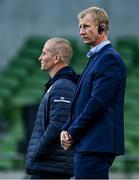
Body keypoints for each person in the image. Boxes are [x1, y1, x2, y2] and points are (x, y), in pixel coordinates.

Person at [60, 6, 126, 179]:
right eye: (80, 27)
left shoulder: (108, 58)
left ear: (102, 27)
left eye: (86, 26)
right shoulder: (97, 57)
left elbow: (97, 103)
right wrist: (66, 128)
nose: (81, 31)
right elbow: (81, 101)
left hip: (96, 144)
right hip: (89, 143)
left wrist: (73, 131)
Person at [25, 37, 79, 179]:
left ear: (56, 58)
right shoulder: (59, 85)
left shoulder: (63, 86)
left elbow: (58, 125)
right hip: (49, 166)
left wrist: (37, 153)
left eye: (44, 53)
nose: (40, 58)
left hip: (50, 168)